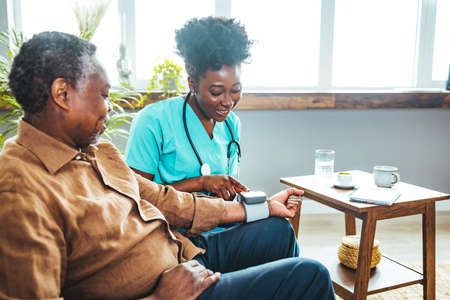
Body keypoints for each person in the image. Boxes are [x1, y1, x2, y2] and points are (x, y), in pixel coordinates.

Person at [0, 31, 335, 299]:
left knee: (276, 232)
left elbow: (162, 199)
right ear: (62, 94)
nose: (110, 109)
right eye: (102, 95)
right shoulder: (20, 190)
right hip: (171, 289)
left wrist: (259, 209)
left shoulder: (97, 151)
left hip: (184, 254)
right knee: (310, 275)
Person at [125, 17, 251, 201]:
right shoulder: (152, 121)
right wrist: (201, 183)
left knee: (278, 223)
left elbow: (228, 193)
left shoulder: (232, 124)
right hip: (168, 226)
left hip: (220, 221)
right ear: (193, 84)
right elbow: (134, 195)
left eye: (235, 90)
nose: (227, 102)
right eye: (216, 92)